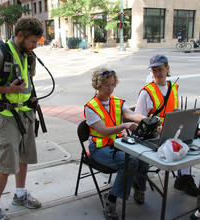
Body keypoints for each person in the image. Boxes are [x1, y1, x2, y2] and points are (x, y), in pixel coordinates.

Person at [0, 17, 44, 220]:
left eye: (37, 43)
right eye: (32, 42)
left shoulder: (29, 55)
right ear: (19, 35)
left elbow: (28, 81)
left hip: (26, 113)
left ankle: (20, 194)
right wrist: (7, 89)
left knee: (24, 158)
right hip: (7, 116)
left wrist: (32, 101)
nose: (35, 47)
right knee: (7, 164)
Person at [84, 68, 149, 220]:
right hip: (99, 148)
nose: (110, 88)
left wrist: (146, 120)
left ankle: (139, 187)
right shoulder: (91, 107)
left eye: (113, 84)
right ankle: (111, 199)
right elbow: (104, 131)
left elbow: (131, 115)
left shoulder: (117, 102)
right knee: (130, 162)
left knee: (143, 156)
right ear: (97, 86)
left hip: (117, 144)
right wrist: (124, 126)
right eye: (106, 85)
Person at [135, 54, 199, 197]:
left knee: (187, 143)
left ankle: (184, 179)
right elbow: (138, 119)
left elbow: (175, 113)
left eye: (160, 69)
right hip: (152, 135)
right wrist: (154, 127)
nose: (157, 73)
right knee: (180, 144)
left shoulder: (173, 88)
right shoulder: (146, 92)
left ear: (167, 68)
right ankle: (139, 187)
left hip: (170, 132)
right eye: (154, 70)